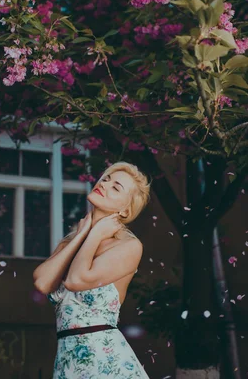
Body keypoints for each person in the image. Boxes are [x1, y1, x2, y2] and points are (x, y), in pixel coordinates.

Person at [33, 161, 152, 378]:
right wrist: (81, 235)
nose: (104, 184)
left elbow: (76, 279)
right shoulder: (72, 241)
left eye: (116, 187)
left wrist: (96, 234)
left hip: (105, 363)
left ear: (125, 210)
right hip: (67, 362)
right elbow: (42, 283)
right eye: (105, 179)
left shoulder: (129, 246)